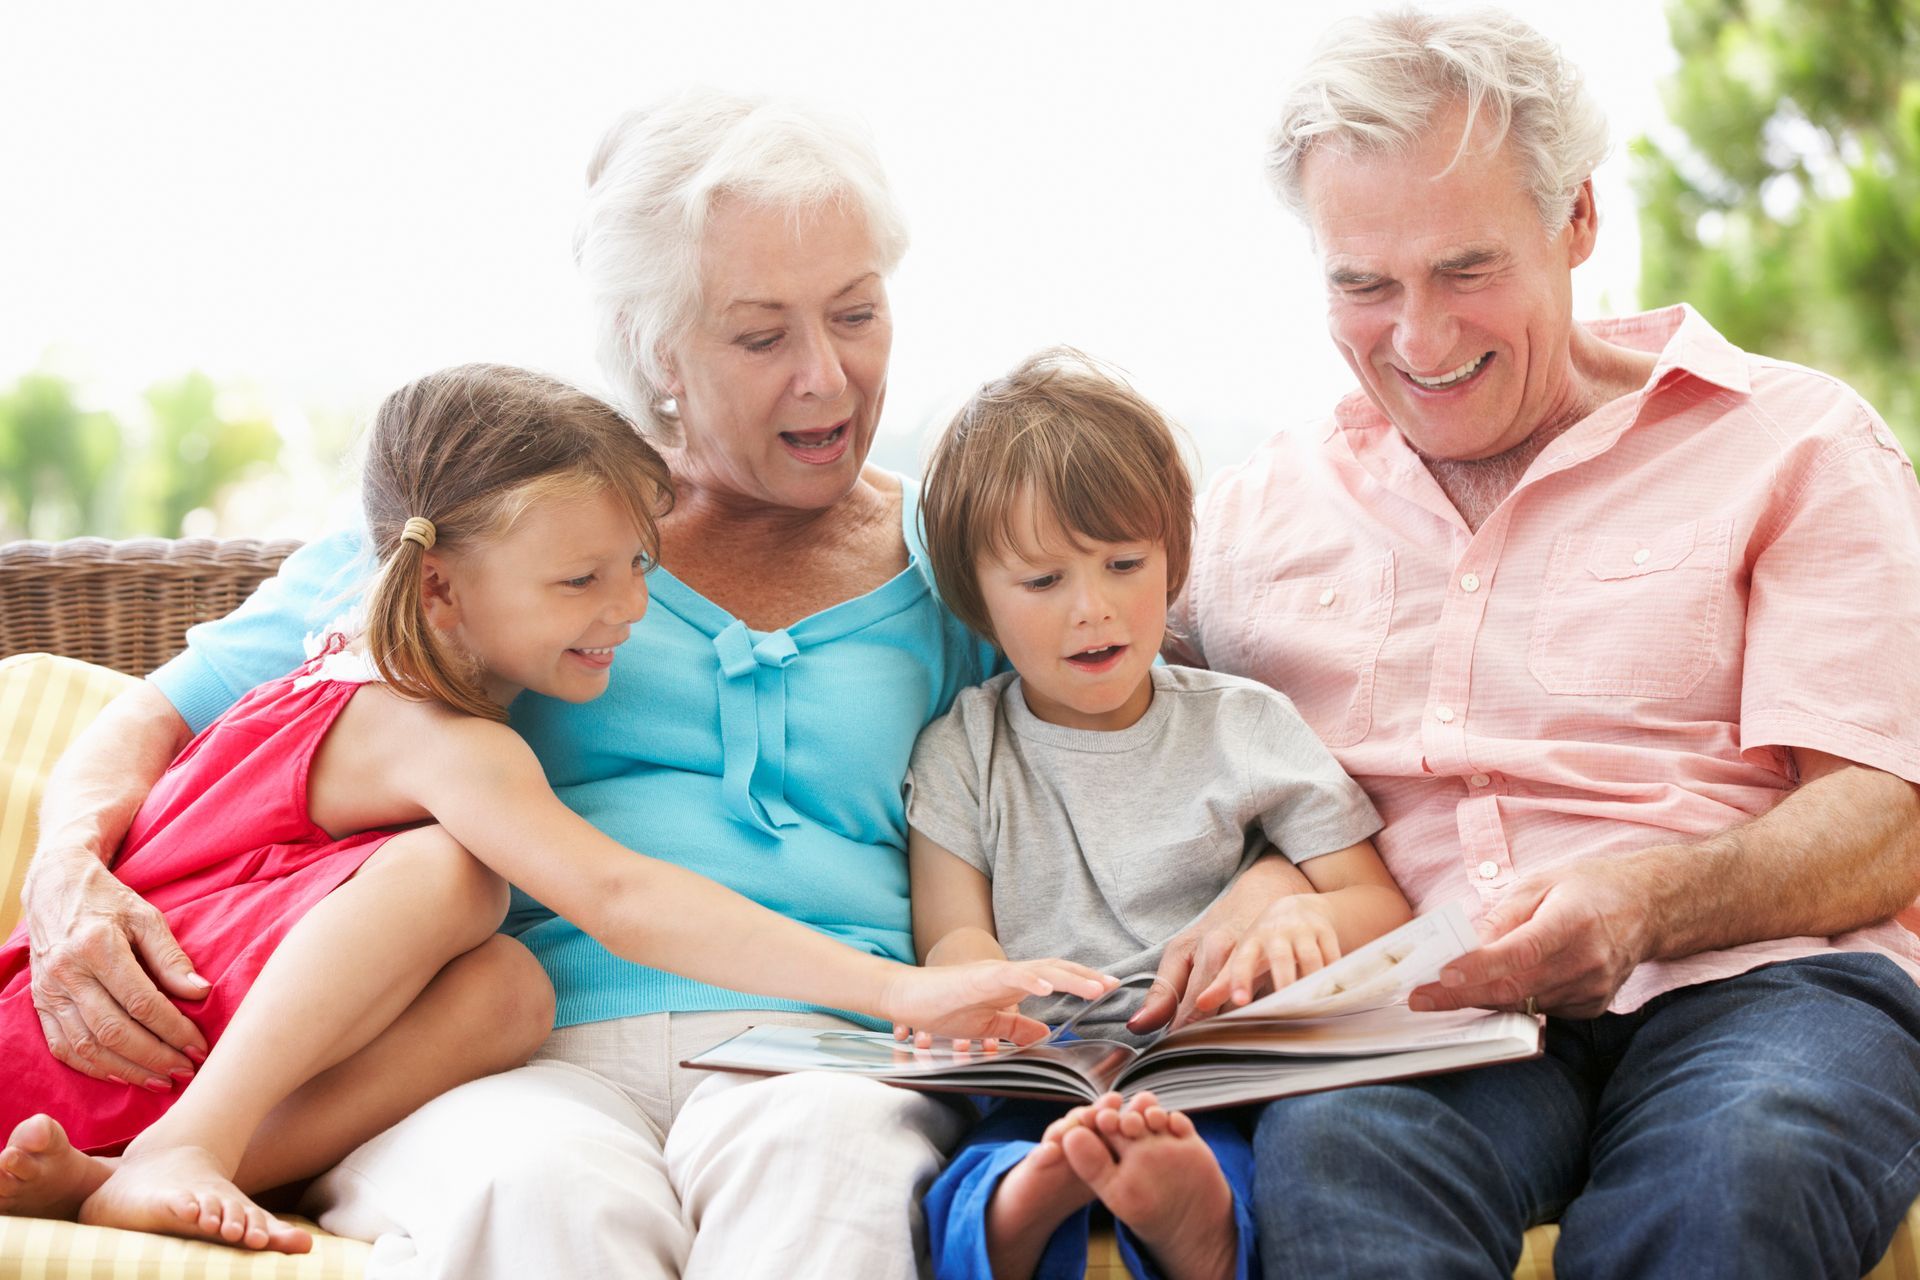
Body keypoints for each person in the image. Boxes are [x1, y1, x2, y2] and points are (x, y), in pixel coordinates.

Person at [13, 91, 1298, 1278]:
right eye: (760, 333)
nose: (828, 374)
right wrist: (68, 868)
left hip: (831, 1044)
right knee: (537, 1193)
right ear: (653, 349)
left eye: (856, 312)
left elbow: (1152, 726)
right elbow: (158, 709)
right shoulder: (503, 532)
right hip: (514, 1046)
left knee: (830, 1170)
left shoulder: (965, 562)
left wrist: (1282, 869)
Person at [0, 362, 1103, 1252]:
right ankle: (183, 1145)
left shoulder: (404, 667)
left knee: (504, 988)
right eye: (583, 582)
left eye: (638, 566)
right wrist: (905, 985)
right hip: (114, 1043)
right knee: (456, 878)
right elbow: (619, 894)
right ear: (434, 586)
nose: (632, 608)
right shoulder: (431, 734)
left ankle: (158, 1159)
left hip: (184, 1038)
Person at [1166, 8, 1920, 1278]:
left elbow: (1882, 816)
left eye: (1466, 270)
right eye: (1363, 283)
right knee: (1339, 1153)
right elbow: (1062, 667)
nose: (1419, 339)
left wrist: (1643, 899)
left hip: (1767, 983)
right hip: (1435, 1003)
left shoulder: (1796, 443)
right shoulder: (1249, 519)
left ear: (1576, 219)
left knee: (1749, 1163)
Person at [906, 349, 1412, 1280]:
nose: (1092, 609)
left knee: (1212, 1151)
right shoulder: (963, 748)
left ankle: (1192, 1216)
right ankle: (1024, 1204)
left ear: (1174, 557)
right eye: (1043, 581)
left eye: (1124, 564)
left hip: (1212, 1068)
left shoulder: (1244, 722)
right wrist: (989, 990)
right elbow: (950, 941)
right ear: (976, 600)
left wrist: (1307, 912)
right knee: (981, 1167)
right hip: (1043, 1067)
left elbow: (1379, 907)